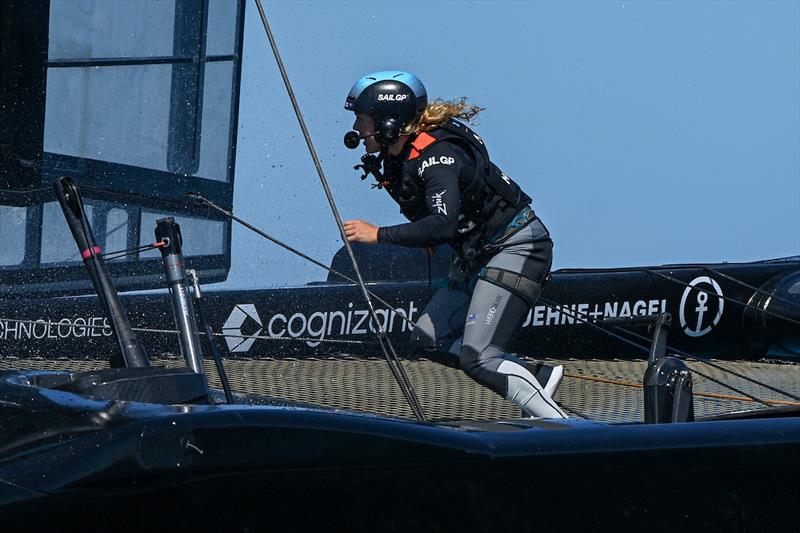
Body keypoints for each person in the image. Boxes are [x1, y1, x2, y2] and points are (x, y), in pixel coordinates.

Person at [342, 71, 566, 419]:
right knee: (428, 338)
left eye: (362, 119)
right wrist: (425, 233)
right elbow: (437, 217)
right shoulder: (400, 155)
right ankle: (537, 378)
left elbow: (443, 223)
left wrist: (379, 234)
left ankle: (560, 427)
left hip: (517, 248)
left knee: (478, 357)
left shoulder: (438, 157)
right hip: (477, 254)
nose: (357, 128)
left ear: (388, 122)